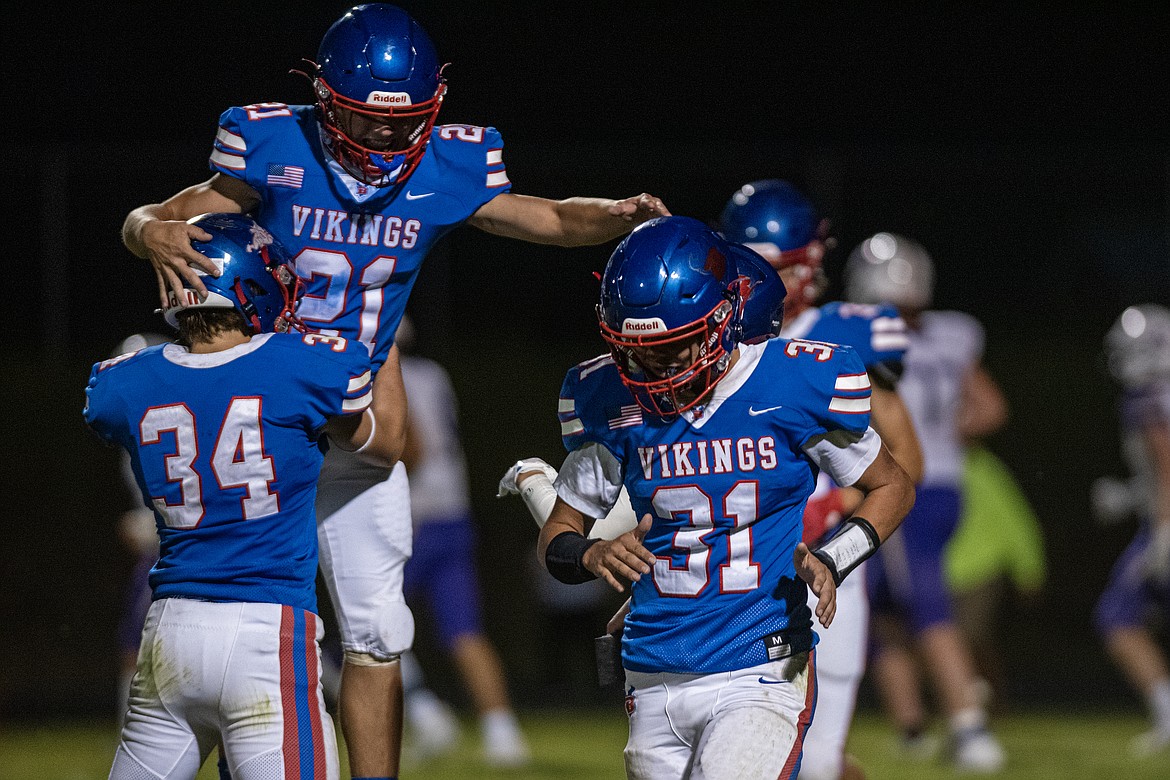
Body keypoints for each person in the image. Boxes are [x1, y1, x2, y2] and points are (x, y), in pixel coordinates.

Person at [119, 5, 668, 777]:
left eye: (404, 121)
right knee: (232, 606)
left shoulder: (447, 165)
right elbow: (161, 218)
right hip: (268, 415)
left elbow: (542, 215)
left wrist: (607, 216)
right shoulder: (274, 142)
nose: (384, 137)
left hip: (357, 415)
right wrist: (147, 229)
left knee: (380, 628)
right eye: (366, 120)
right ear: (325, 98)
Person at [535, 216, 916, 779]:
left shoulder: (788, 385)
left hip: (759, 668)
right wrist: (591, 554)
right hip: (652, 671)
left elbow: (893, 485)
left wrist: (835, 558)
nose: (655, 368)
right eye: (639, 350)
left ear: (721, 321)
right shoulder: (613, 401)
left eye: (673, 347)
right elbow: (557, 538)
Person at [86, 213, 406, 779]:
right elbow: (386, 442)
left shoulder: (124, 382)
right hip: (266, 634)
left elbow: (129, 403)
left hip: (169, 636)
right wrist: (382, 322)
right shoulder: (301, 367)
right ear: (255, 282)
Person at [718, 179, 924, 780]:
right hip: (725, 570)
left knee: (813, 758)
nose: (762, 280)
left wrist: (841, 500)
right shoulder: (712, 335)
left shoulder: (852, 331)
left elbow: (907, 463)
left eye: (776, 266)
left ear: (811, 261)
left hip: (822, 565)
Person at [843, 232, 1008, 772]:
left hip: (904, 483)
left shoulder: (863, 335)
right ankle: (912, 728)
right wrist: (943, 433)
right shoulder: (954, 335)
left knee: (922, 602)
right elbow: (988, 409)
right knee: (883, 610)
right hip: (946, 483)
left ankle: (969, 724)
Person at [392, 316, 530, 768]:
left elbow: (411, 448)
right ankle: (501, 731)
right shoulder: (433, 373)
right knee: (464, 630)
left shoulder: (384, 373)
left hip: (412, 518)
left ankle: (427, 715)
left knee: (362, 631)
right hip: (452, 511)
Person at [1093, 303, 1170, 757]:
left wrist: (1163, 530)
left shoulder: (1149, 397)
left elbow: (1166, 464)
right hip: (1158, 516)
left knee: (1117, 617)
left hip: (1163, 525)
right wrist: (1129, 496)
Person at [945, 442, 1047, 713]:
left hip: (982, 569)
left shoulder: (982, 467)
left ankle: (992, 702)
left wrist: (1029, 568)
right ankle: (965, 703)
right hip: (940, 572)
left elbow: (1015, 518)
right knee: (944, 640)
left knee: (971, 638)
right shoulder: (923, 466)